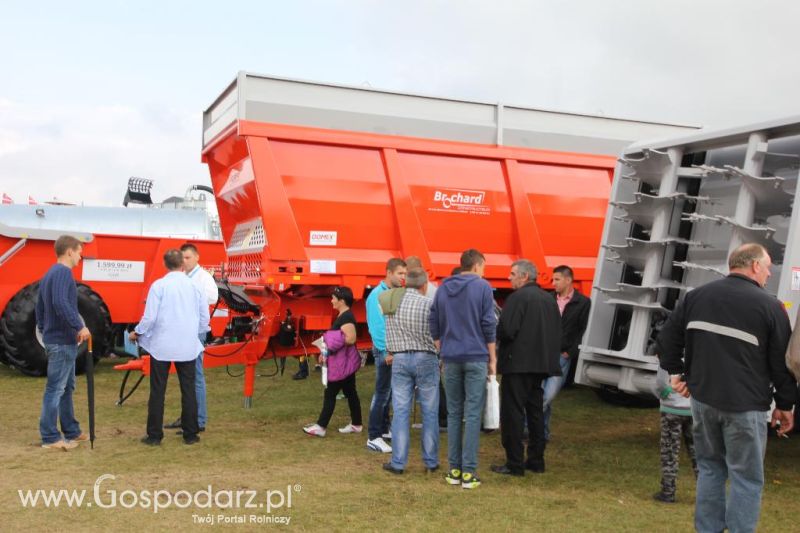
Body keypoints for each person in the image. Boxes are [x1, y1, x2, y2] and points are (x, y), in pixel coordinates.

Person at [657, 243, 796, 532]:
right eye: (768, 267)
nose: (770, 273)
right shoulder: (771, 307)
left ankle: (707, 528)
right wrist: (785, 404)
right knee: (747, 477)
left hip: (704, 402)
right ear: (754, 266)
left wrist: (676, 373)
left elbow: (667, 339)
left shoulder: (697, 296)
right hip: (746, 405)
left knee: (710, 469)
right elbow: (780, 364)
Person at [429, 249, 497, 489]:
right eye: (484, 267)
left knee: (454, 413)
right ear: (477, 266)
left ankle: (454, 470)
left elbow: (433, 320)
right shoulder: (483, 287)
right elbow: (488, 323)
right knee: (473, 415)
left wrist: (441, 346)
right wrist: (493, 358)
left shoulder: (443, 288)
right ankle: (469, 473)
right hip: (476, 356)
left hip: (451, 357)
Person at [131, 249, 210, 446]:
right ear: (182, 264)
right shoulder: (195, 286)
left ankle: (154, 435)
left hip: (162, 345)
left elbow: (150, 318)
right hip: (187, 345)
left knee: (157, 391)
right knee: (188, 389)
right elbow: (204, 317)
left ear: (165, 264)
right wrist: (195, 333)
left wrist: (137, 332)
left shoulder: (159, 286)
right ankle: (190, 434)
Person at [491, 259, 561, 476]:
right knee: (535, 412)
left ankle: (514, 462)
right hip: (540, 364)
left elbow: (507, 330)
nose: (509, 278)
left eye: (512, 274)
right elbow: (557, 330)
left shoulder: (517, 298)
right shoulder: (549, 299)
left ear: (524, 276)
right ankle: (536, 460)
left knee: (512, 413)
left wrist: (497, 335)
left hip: (517, 364)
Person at [380, 268, 439, 475]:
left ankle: (398, 462)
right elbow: (437, 334)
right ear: (424, 285)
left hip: (400, 358)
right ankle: (430, 461)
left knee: (401, 411)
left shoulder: (391, 302)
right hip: (426, 357)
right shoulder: (429, 304)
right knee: (429, 411)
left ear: (406, 283)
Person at [36, 235, 92, 450]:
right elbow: (60, 302)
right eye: (79, 252)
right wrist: (79, 326)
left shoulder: (50, 273)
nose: (80, 257)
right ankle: (50, 437)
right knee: (56, 389)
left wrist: (44, 329)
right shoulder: (62, 273)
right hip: (61, 342)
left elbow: (40, 306)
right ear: (69, 251)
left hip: (60, 340)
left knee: (66, 387)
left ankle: (71, 430)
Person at [164, 243, 219, 434]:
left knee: (195, 375)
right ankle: (188, 416)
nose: (184, 261)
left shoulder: (203, 277)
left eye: (188, 257)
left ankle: (199, 420)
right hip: (184, 329)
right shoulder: (184, 276)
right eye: (183, 258)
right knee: (186, 377)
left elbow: (212, 297)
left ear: (197, 257)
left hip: (195, 331)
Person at [303, 286, 363, 437]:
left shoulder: (346, 317)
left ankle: (321, 426)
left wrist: (329, 344)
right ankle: (356, 424)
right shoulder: (343, 315)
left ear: (341, 301)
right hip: (344, 363)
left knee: (330, 393)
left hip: (341, 364)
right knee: (351, 392)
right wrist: (326, 350)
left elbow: (351, 338)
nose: (331, 301)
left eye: (333, 298)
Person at [542, 265, 590, 440]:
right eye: (553, 279)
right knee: (540, 393)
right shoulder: (547, 299)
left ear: (568, 280)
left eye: (557, 279)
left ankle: (528, 426)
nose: (553, 283)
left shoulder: (583, 302)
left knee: (547, 396)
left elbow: (583, 330)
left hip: (562, 355)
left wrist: (570, 352)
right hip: (543, 354)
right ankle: (542, 433)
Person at [365, 258, 407, 453]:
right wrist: (388, 351)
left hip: (392, 350)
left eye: (405, 274)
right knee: (382, 393)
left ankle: (383, 428)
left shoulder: (394, 293)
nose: (403, 277)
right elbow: (378, 328)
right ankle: (374, 436)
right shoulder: (377, 295)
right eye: (400, 273)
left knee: (387, 392)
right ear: (389, 273)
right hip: (386, 351)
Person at [651, 365, 698, 503]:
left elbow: (660, 383)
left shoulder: (669, 356)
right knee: (697, 452)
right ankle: (705, 493)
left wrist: (665, 395)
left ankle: (668, 491)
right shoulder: (696, 355)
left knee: (670, 452)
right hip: (693, 409)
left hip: (671, 409)